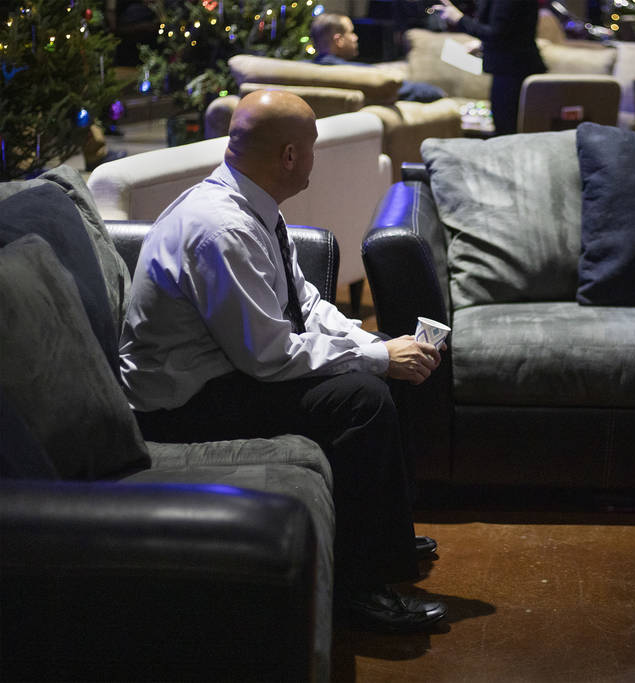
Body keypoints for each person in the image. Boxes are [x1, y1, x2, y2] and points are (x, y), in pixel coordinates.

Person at [119, 89, 447, 633]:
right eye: (312, 147)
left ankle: (384, 535)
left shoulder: (254, 208)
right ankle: (359, 591)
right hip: (181, 403)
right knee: (362, 398)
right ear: (290, 156)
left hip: (227, 369)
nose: (315, 159)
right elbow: (269, 357)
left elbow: (307, 303)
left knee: (384, 358)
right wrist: (373, 359)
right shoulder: (221, 229)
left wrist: (376, 346)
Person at [430, 0, 546, 136]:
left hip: (513, 71)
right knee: (506, 130)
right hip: (512, 69)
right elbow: (512, 31)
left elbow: (497, 33)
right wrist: (482, 45)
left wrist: (458, 18)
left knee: (507, 133)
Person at [309, 12, 447, 103]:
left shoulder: (304, 70)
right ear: (339, 40)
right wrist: (438, 92)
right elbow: (404, 89)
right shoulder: (357, 73)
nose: (355, 37)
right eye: (351, 32)